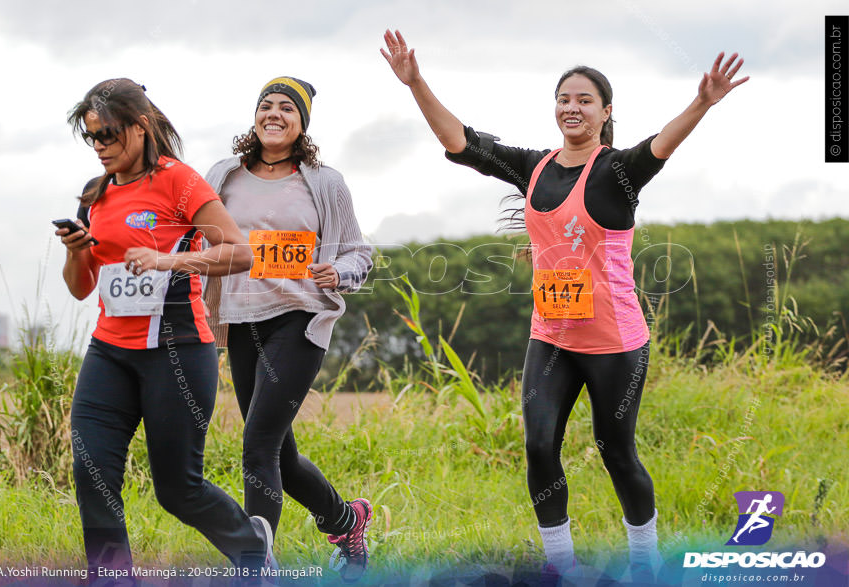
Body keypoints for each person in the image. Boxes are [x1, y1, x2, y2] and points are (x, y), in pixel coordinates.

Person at [381, 29, 748, 579]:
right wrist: (415, 83)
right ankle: (563, 568)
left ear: (604, 113)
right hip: (551, 336)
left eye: (584, 100)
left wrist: (700, 101)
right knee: (538, 446)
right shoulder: (535, 166)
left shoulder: (616, 172)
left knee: (616, 452)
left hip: (614, 341)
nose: (571, 107)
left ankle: (644, 564)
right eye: (564, 98)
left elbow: (662, 145)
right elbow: (463, 143)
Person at [58, 78, 276, 583]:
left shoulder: (179, 181)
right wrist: (76, 253)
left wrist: (164, 260)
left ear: (140, 127)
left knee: (178, 489)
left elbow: (239, 252)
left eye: (108, 134)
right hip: (109, 350)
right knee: (92, 473)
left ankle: (252, 547)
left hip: (177, 350)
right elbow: (80, 286)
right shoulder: (96, 196)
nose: (100, 147)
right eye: (91, 137)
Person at [203, 76, 374, 582]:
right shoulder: (222, 175)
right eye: (266, 106)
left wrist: (337, 272)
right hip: (240, 320)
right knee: (281, 451)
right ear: (254, 117)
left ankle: (258, 563)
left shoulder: (324, 181)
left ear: (302, 125)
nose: (274, 114)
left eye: (287, 109)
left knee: (257, 441)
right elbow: (194, 231)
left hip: (300, 319)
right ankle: (346, 520)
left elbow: (358, 253)